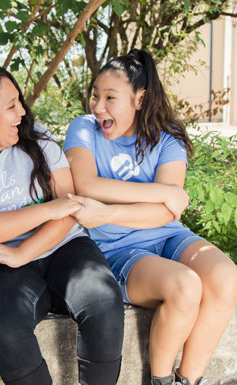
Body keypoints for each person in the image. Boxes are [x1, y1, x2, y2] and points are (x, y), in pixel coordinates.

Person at [64, 49, 237, 385]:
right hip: (118, 248)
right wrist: (163, 191)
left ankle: (188, 380)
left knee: (227, 277)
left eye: (111, 98)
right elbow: (85, 183)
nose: (98, 107)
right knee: (185, 286)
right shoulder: (83, 129)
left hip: (168, 235)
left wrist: (107, 211)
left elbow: (166, 212)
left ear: (140, 99)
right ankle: (158, 381)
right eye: (95, 95)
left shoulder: (166, 136)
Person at [0, 66, 124, 385]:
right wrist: (48, 209)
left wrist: (24, 250)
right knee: (3, 327)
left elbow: (69, 210)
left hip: (64, 246)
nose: (22, 111)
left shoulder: (37, 138)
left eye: (20, 102)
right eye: (11, 105)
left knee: (103, 301)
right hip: (1, 262)